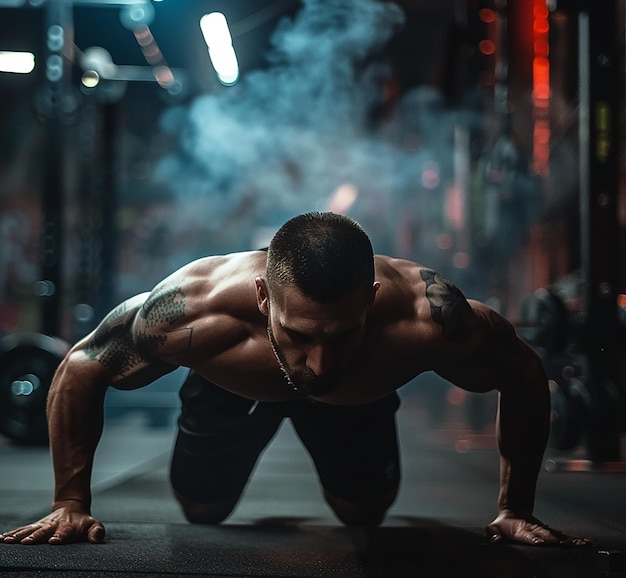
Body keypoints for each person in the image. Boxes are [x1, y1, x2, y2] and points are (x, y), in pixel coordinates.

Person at [0, 212, 589, 547]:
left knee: (364, 516)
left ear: (372, 299)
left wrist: (516, 508)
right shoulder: (195, 310)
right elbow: (81, 365)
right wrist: (69, 503)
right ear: (263, 297)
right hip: (230, 388)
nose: (320, 363)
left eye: (341, 335)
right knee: (203, 512)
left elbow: (521, 369)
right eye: (300, 334)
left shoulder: (427, 314)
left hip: (360, 399)